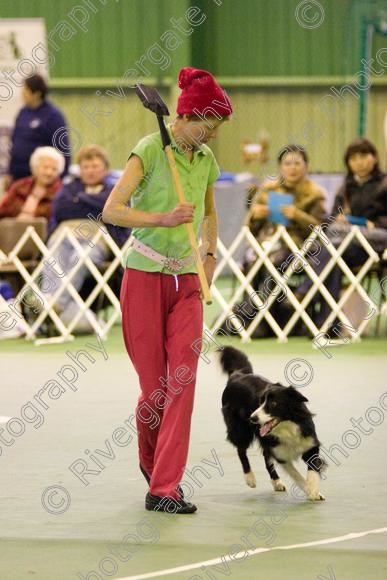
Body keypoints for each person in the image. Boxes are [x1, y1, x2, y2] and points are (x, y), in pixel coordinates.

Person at [102, 67, 232, 514]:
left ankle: (164, 488)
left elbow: (211, 215)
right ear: (187, 115)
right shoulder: (150, 149)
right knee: (155, 389)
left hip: (188, 283)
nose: (212, 136)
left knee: (182, 382)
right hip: (143, 277)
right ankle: (151, 461)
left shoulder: (206, 161)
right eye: (208, 126)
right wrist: (162, 219)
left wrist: (210, 257)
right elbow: (113, 210)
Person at [296, 138, 387, 329]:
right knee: (332, 254)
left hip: (376, 244)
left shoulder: (384, 184)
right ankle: (328, 323)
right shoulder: (345, 188)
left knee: (331, 248)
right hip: (345, 245)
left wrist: (372, 223)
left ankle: (305, 290)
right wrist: (338, 220)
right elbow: (330, 220)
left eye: (363, 156)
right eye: (353, 158)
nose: (358, 162)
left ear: (374, 158)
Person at [241, 144, 327, 335]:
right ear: (280, 167)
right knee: (250, 260)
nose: (292, 168)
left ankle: (265, 320)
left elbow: (322, 230)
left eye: (297, 163)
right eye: (287, 163)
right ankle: (252, 316)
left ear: (306, 166)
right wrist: (256, 215)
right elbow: (250, 228)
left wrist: (297, 215)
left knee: (275, 261)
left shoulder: (315, 193)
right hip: (267, 243)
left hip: (299, 248)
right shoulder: (268, 190)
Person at [44, 144, 131, 332]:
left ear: (105, 169)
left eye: (95, 166)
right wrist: (95, 204)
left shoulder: (115, 189)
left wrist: (80, 199)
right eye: (86, 167)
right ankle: (54, 305)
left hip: (98, 239)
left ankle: (50, 306)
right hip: (63, 236)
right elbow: (61, 209)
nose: (90, 171)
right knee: (54, 258)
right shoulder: (67, 189)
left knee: (80, 257)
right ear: (79, 169)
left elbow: (112, 211)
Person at [6, 74, 70, 186]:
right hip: (17, 176)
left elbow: (62, 148)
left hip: (39, 178)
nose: (22, 94)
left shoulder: (53, 116)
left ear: (36, 94)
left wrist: (61, 178)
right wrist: (9, 172)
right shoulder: (23, 112)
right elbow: (15, 143)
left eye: (25, 90)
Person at [0, 146, 64, 220]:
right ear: (35, 167)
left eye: (54, 169)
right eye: (45, 167)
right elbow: (2, 211)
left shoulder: (61, 191)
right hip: (13, 228)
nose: (49, 172)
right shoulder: (20, 186)